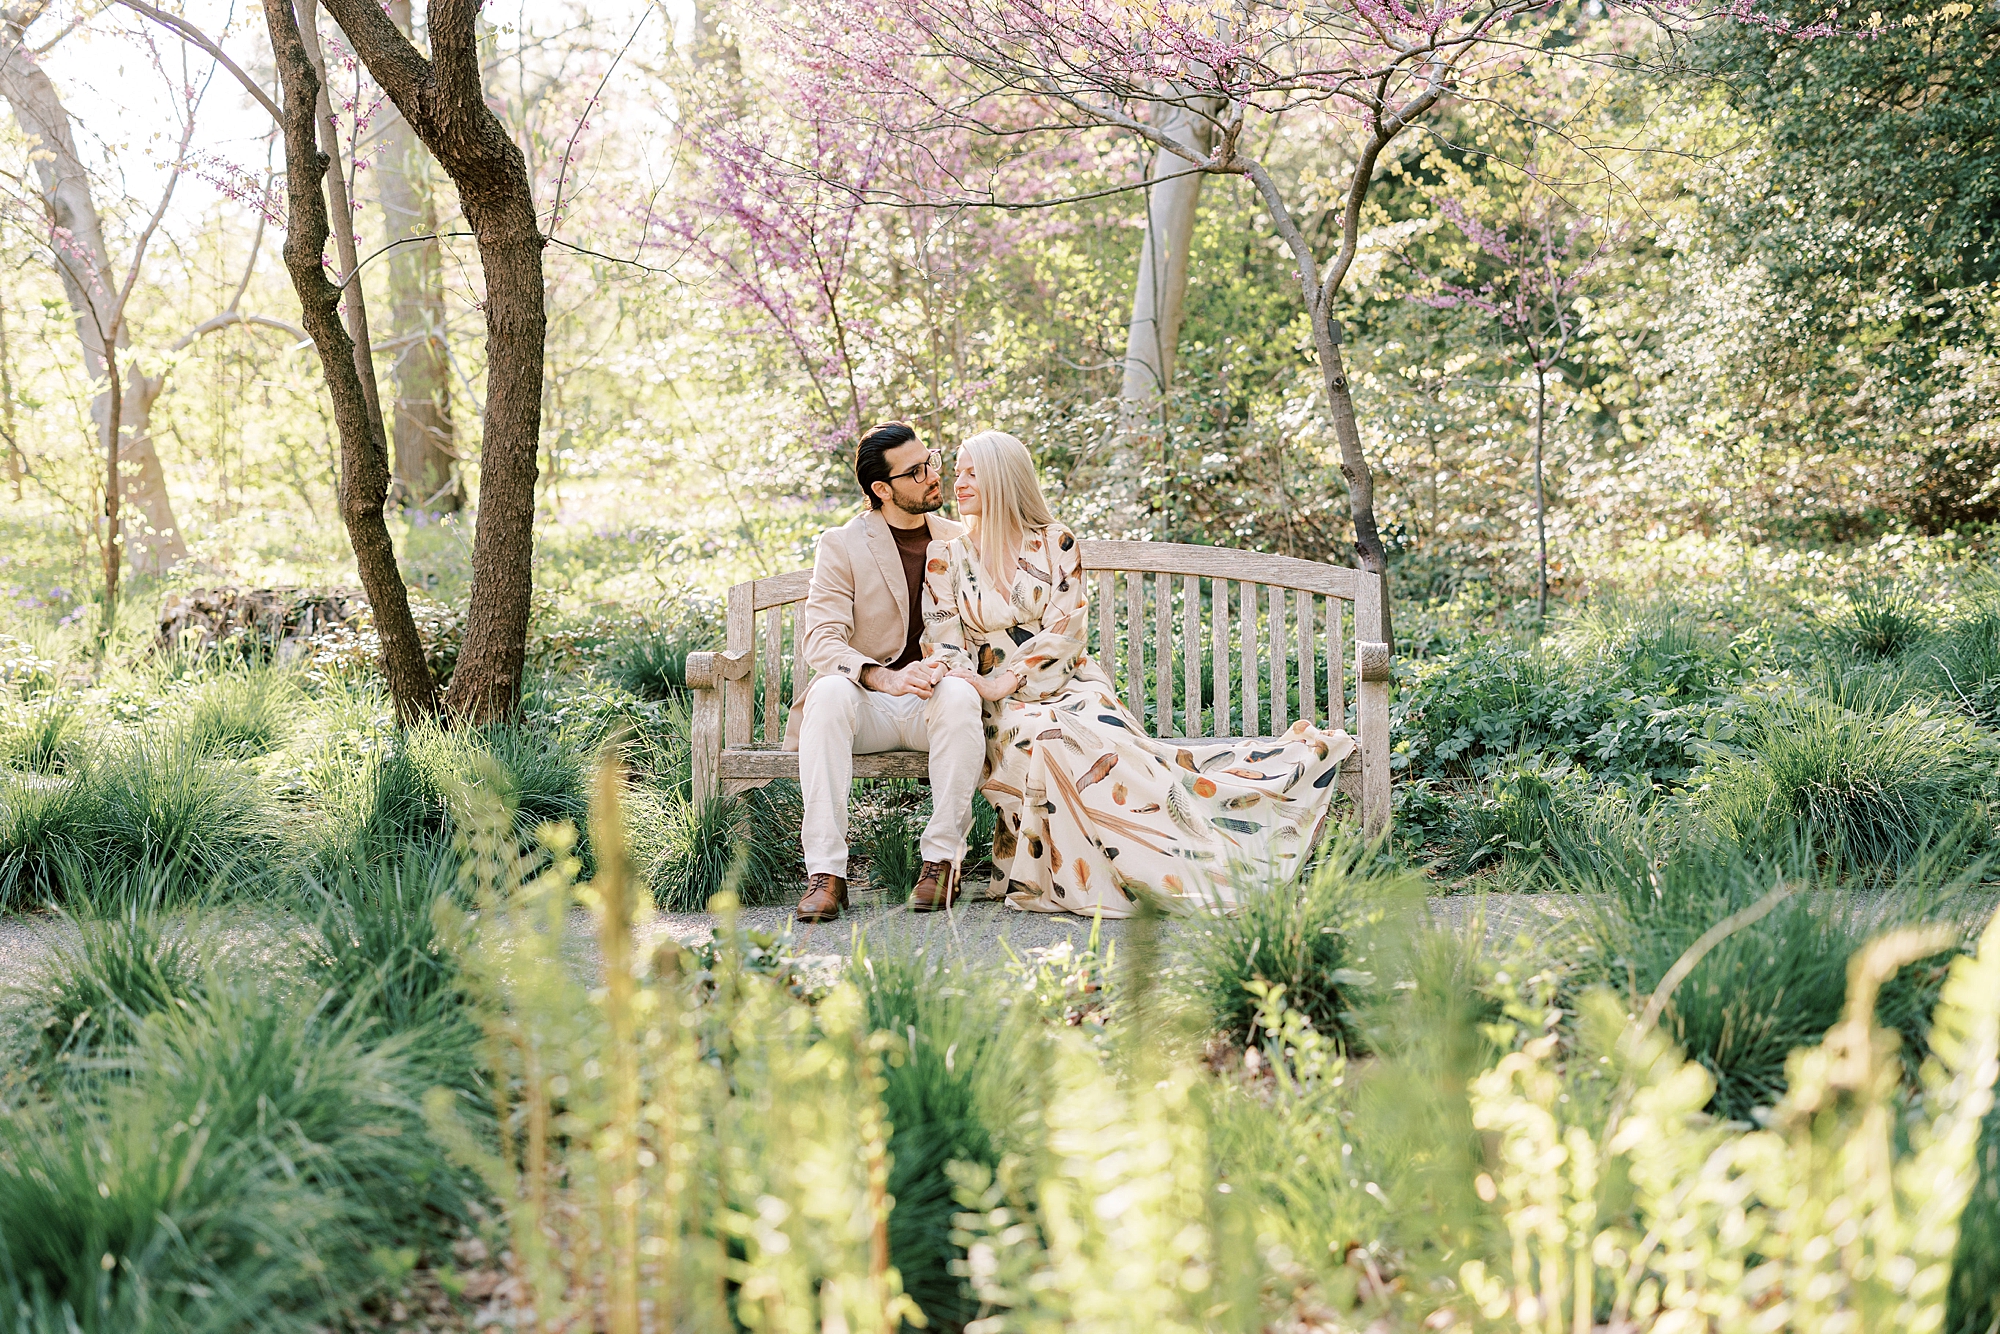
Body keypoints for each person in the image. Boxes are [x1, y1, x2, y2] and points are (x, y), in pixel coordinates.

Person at [919, 430, 1355, 917]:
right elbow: (943, 640)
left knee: (1092, 737)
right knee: (1043, 737)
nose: (958, 482)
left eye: (972, 472)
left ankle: (1184, 860)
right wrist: (986, 685)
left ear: (1003, 477)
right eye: (957, 472)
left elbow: (1066, 631)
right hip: (994, 702)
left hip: (1065, 682)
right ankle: (1089, 870)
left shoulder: (1055, 543)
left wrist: (1012, 678)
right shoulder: (946, 557)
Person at [788, 422, 983, 922]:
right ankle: (827, 875)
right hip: (867, 706)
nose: (932, 475)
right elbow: (821, 640)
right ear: (882, 488)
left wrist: (949, 669)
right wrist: (883, 677)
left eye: (930, 461)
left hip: (932, 701)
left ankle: (942, 864)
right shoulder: (842, 544)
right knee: (828, 694)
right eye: (915, 471)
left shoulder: (961, 539)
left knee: (962, 696)